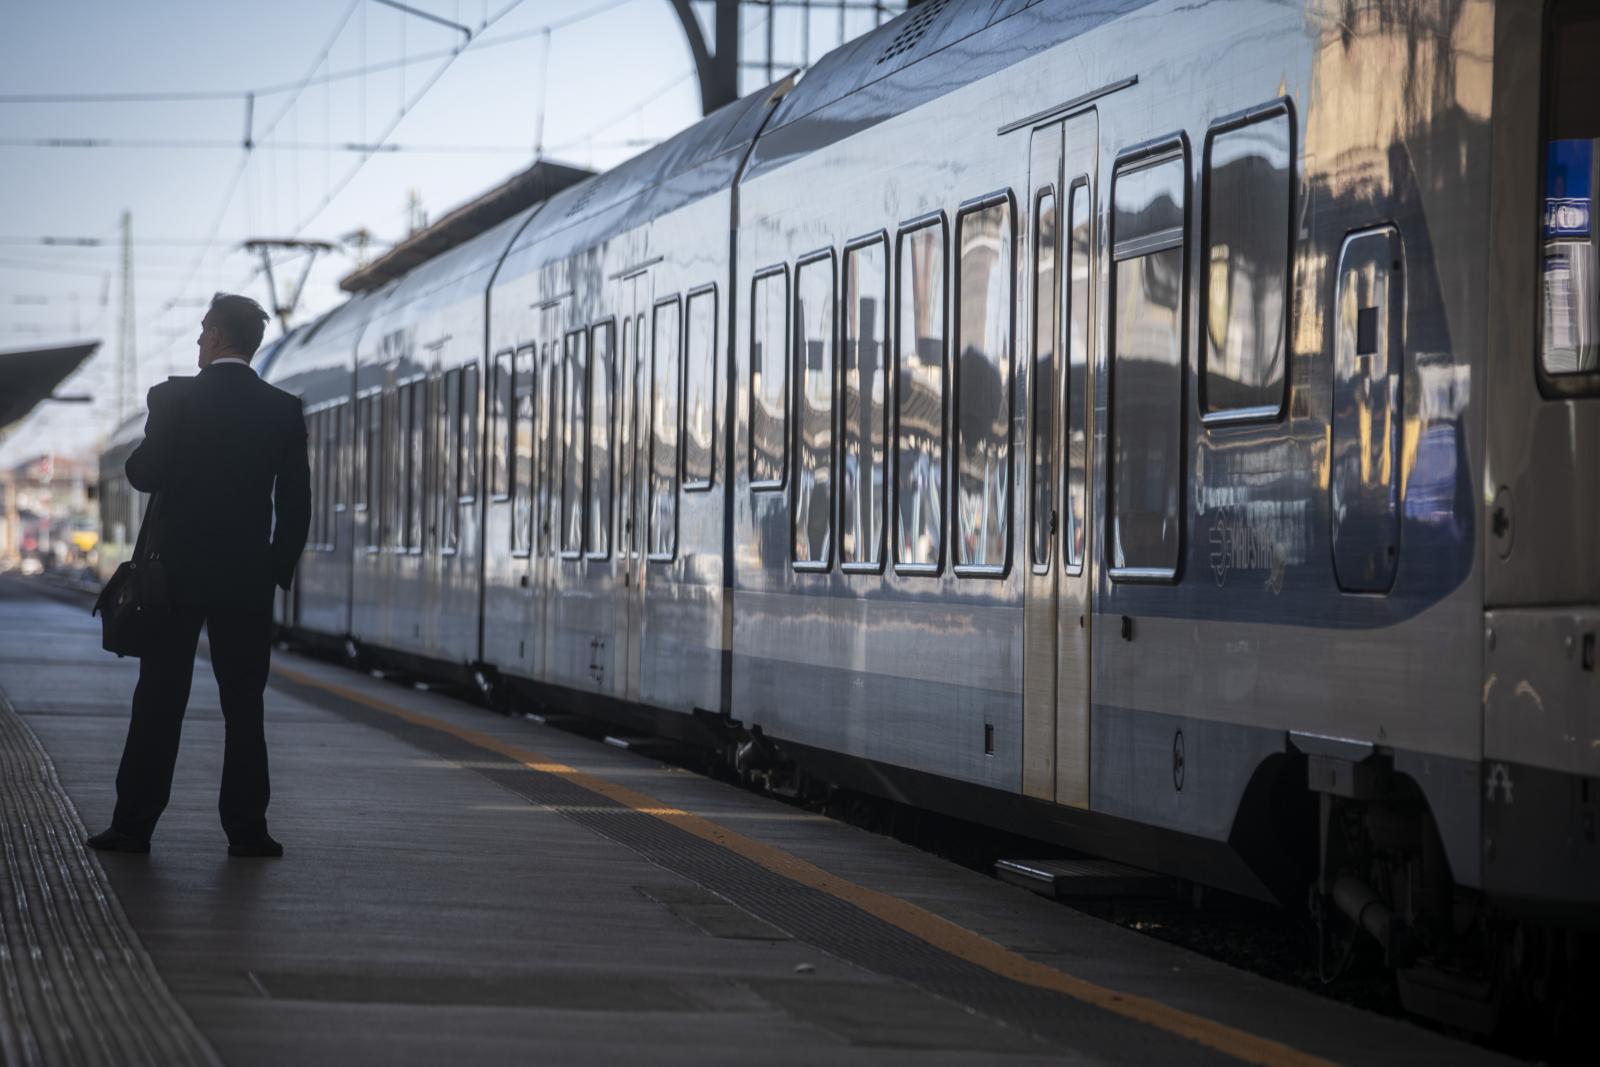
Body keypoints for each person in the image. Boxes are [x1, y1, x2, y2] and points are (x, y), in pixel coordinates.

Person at [87, 293, 309, 858]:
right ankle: (247, 831)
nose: (198, 341)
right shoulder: (282, 409)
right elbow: (297, 506)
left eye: (201, 332)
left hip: (173, 578)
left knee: (159, 699)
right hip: (246, 581)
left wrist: (161, 437)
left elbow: (143, 474)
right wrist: (273, 570)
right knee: (244, 705)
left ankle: (134, 827)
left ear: (213, 336)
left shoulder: (174, 397)